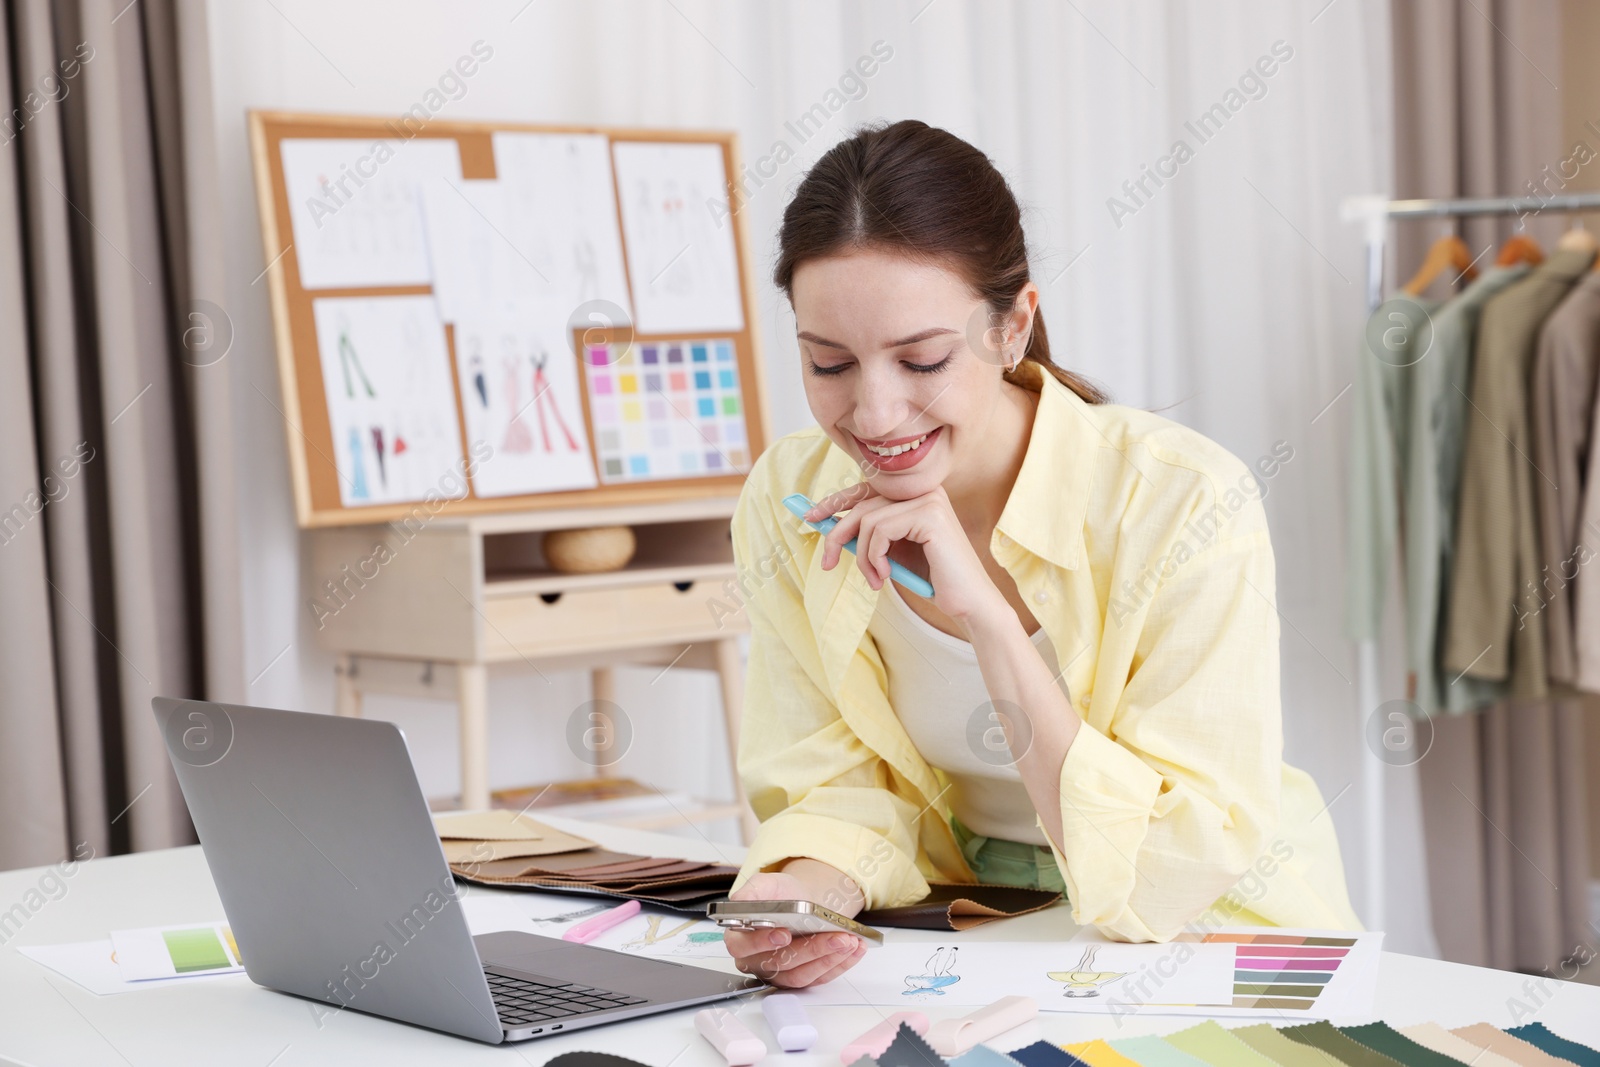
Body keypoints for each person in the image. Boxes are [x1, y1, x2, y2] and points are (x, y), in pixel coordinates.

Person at [720, 119, 1360, 989]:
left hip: (1214, 929)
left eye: (922, 359)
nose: (872, 416)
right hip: (979, 923)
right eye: (830, 364)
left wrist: (987, 616)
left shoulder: (1181, 499)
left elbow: (1175, 864)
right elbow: (832, 781)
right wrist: (805, 899)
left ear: (1012, 325)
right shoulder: (792, 499)